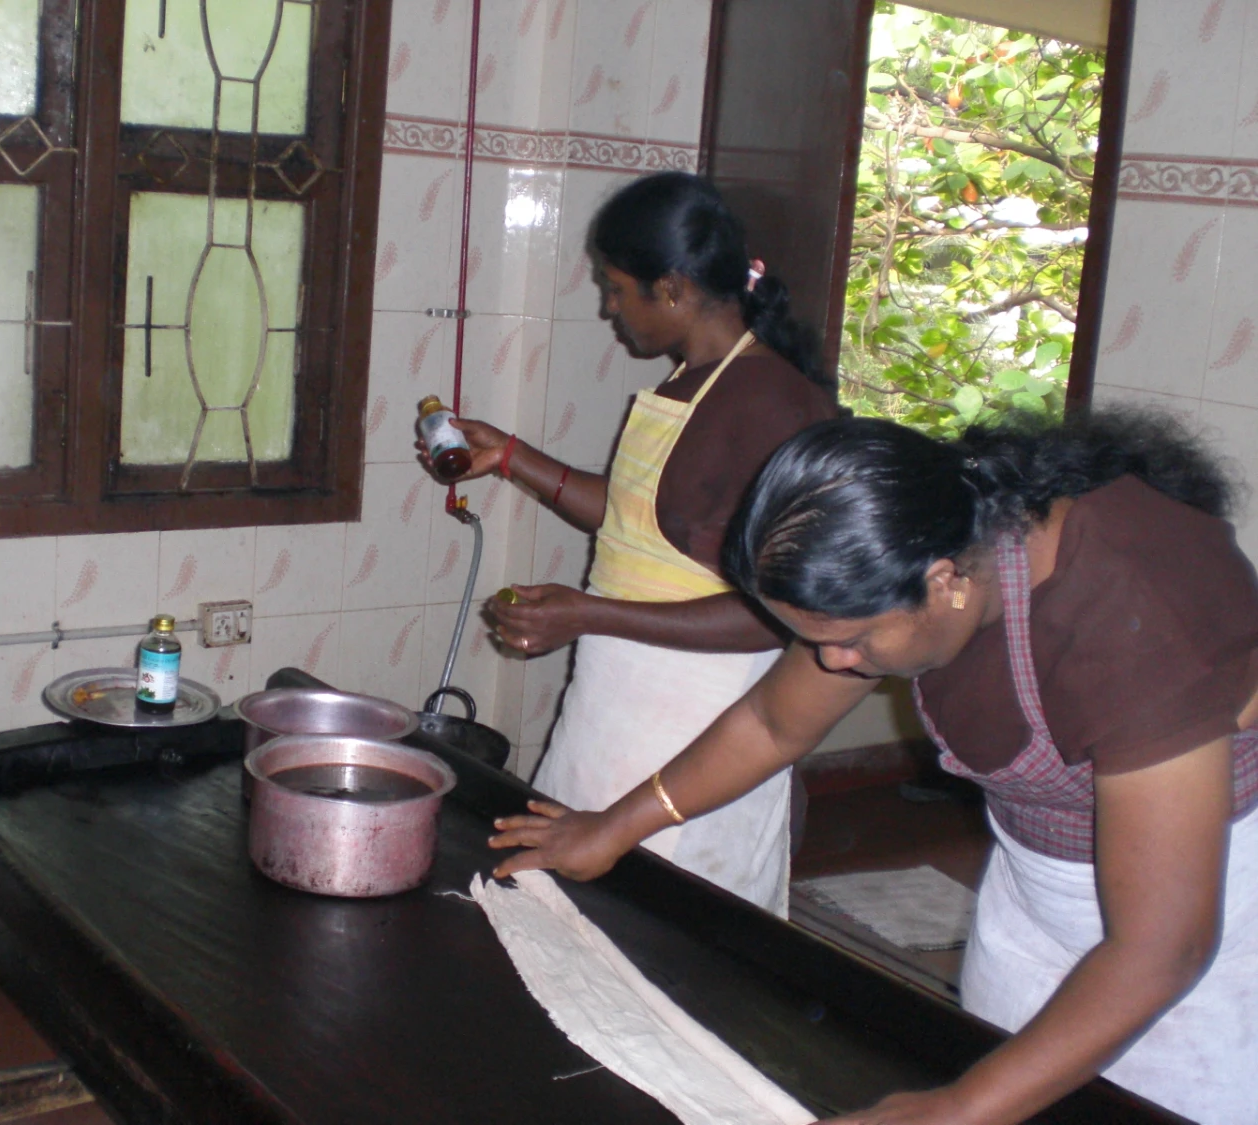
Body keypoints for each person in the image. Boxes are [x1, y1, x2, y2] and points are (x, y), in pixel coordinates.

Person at [488, 410, 1258, 1125]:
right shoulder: (926, 549)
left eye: (853, 641)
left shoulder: (1133, 613)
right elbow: (771, 719)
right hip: (1036, 888)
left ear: (945, 583)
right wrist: (613, 827)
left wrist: (955, 1108)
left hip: (1210, 915)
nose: (834, 662)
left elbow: (1163, 948)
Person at [427, 172, 837, 914]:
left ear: (673, 289)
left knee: (670, 931)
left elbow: (775, 614)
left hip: (701, 723)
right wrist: (511, 457)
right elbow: (634, 521)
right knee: (570, 909)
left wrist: (587, 612)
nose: (608, 308)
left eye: (617, 289)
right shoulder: (691, 381)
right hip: (616, 704)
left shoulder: (771, 406)